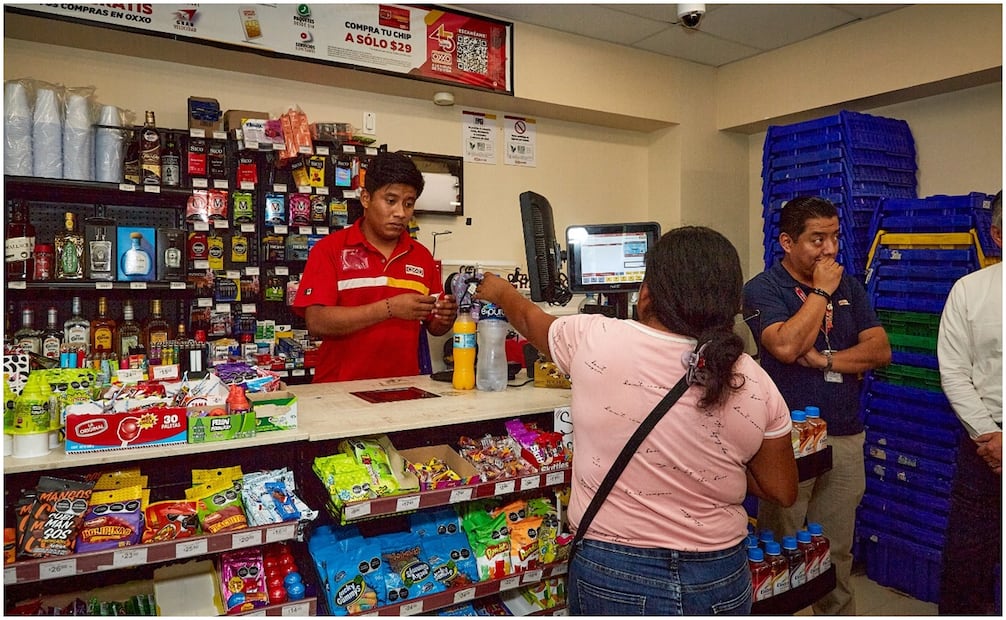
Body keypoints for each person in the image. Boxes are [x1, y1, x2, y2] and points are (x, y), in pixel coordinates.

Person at [476, 226, 798, 615]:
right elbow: (781, 489)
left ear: (647, 294)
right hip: (719, 575)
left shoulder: (593, 338)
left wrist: (500, 292)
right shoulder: (756, 382)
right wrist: (705, 463)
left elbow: (529, 320)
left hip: (614, 570)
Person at [742, 195, 891, 615]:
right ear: (787, 242)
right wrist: (821, 292)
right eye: (817, 239)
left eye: (834, 238)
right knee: (782, 549)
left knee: (835, 550)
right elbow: (786, 345)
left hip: (844, 433)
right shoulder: (763, 288)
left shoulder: (850, 285)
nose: (829, 250)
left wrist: (826, 360)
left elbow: (879, 349)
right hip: (787, 440)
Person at [293, 151, 457, 382]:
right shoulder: (329, 249)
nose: (400, 213)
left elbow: (435, 327)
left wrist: (446, 316)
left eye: (408, 204)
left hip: (402, 389)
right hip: (338, 391)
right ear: (366, 198)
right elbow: (317, 322)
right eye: (390, 201)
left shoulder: (421, 256)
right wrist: (388, 309)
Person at [936, 191, 1002, 615]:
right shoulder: (970, 291)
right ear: (998, 234)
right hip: (985, 450)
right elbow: (955, 373)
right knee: (967, 567)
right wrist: (992, 436)